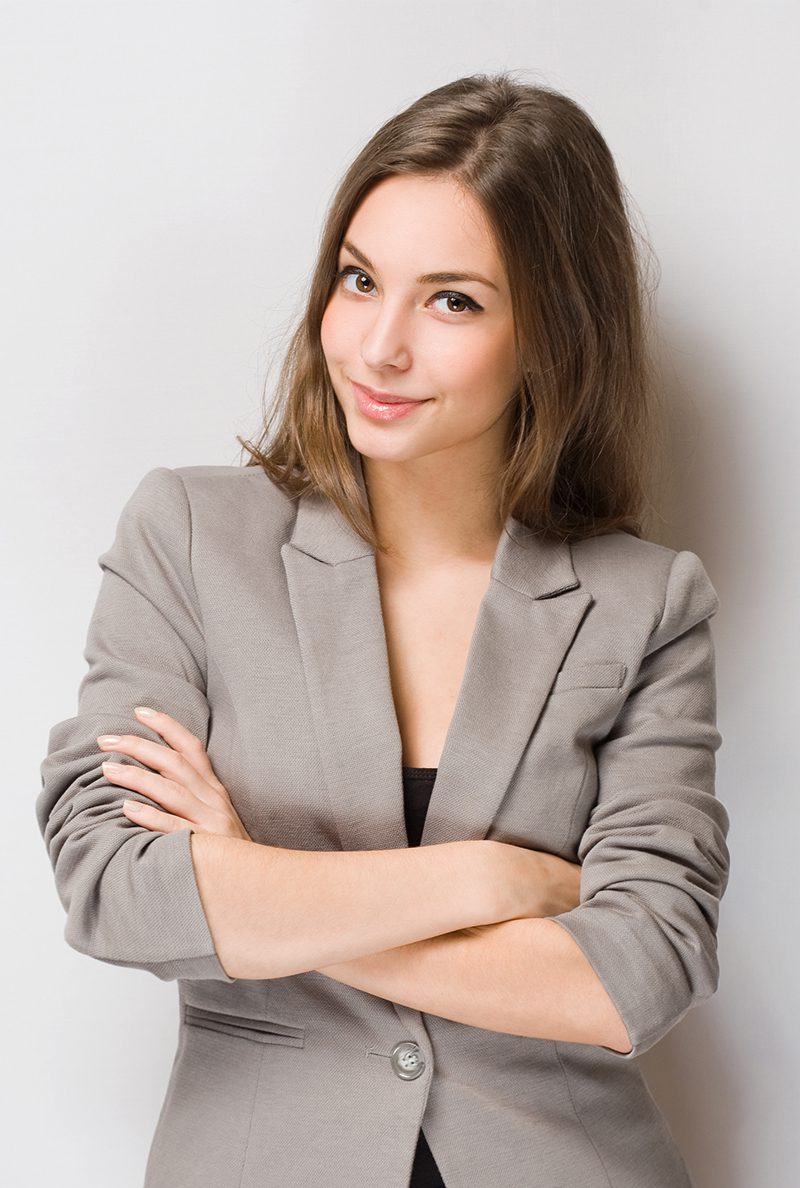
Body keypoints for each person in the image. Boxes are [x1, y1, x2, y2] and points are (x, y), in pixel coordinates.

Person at [36, 72, 730, 1187]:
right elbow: (118, 888)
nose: (376, 347)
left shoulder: (642, 603)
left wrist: (254, 880)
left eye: (451, 300)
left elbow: (634, 977)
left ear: (549, 334)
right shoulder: (191, 536)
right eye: (359, 280)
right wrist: (490, 881)